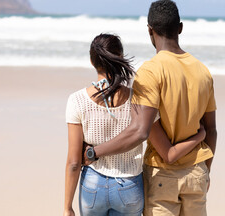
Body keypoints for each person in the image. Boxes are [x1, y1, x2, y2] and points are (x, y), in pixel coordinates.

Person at [82, 0, 217, 216]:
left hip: (162, 176)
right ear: (180, 28)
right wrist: (206, 172)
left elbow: (140, 130)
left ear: (149, 30)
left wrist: (94, 152)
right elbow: (210, 130)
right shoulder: (203, 72)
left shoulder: (151, 71)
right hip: (197, 173)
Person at [63, 33, 207, 216]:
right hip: (129, 188)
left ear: (92, 62)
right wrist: (199, 136)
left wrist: (67, 207)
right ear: (120, 58)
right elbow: (168, 154)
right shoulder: (140, 101)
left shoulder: (77, 100)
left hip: (92, 186)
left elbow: (74, 162)